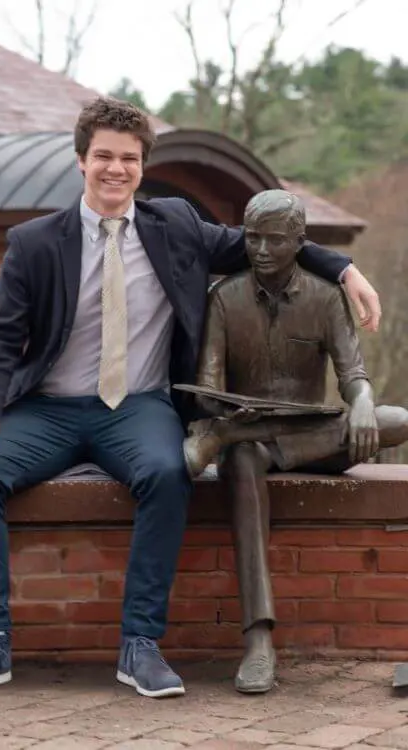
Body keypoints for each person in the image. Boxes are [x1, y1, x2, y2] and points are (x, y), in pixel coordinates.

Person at [0, 97, 382, 700]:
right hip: (49, 408)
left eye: (129, 159)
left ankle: (140, 644)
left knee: (171, 474)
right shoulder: (35, 243)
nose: (116, 169)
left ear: (143, 166)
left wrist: (345, 269)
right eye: (103, 157)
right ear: (80, 160)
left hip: (138, 406)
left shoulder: (178, 226)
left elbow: (264, 242)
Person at [182, 189, 408, 693]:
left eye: (275, 240)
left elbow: (352, 373)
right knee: (241, 459)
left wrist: (364, 402)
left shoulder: (327, 297)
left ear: (299, 242)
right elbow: (208, 389)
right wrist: (222, 410)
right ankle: (259, 641)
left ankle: (232, 437)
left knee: (397, 418)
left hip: (314, 437)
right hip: (253, 447)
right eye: (252, 238)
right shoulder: (224, 298)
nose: (260, 250)